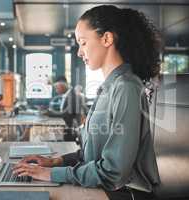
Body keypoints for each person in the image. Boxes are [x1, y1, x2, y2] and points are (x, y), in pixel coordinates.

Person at [13, 5, 161, 200]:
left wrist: (49, 175)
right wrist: (54, 162)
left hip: (124, 194)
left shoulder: (126, 87)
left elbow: (113, 172)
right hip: (105, 189)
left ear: (107, 39)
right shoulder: (108, 87)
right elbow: (91, 156)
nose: (79, 52)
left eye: (82, 43)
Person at [46, 76, 85, 141]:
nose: (56, 90)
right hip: (67, 128)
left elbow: (67, 114)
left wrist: (49, 113)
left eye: (57, 88)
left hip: (71, 131)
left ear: (63, 85)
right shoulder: (68, 94)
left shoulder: (73, 95)